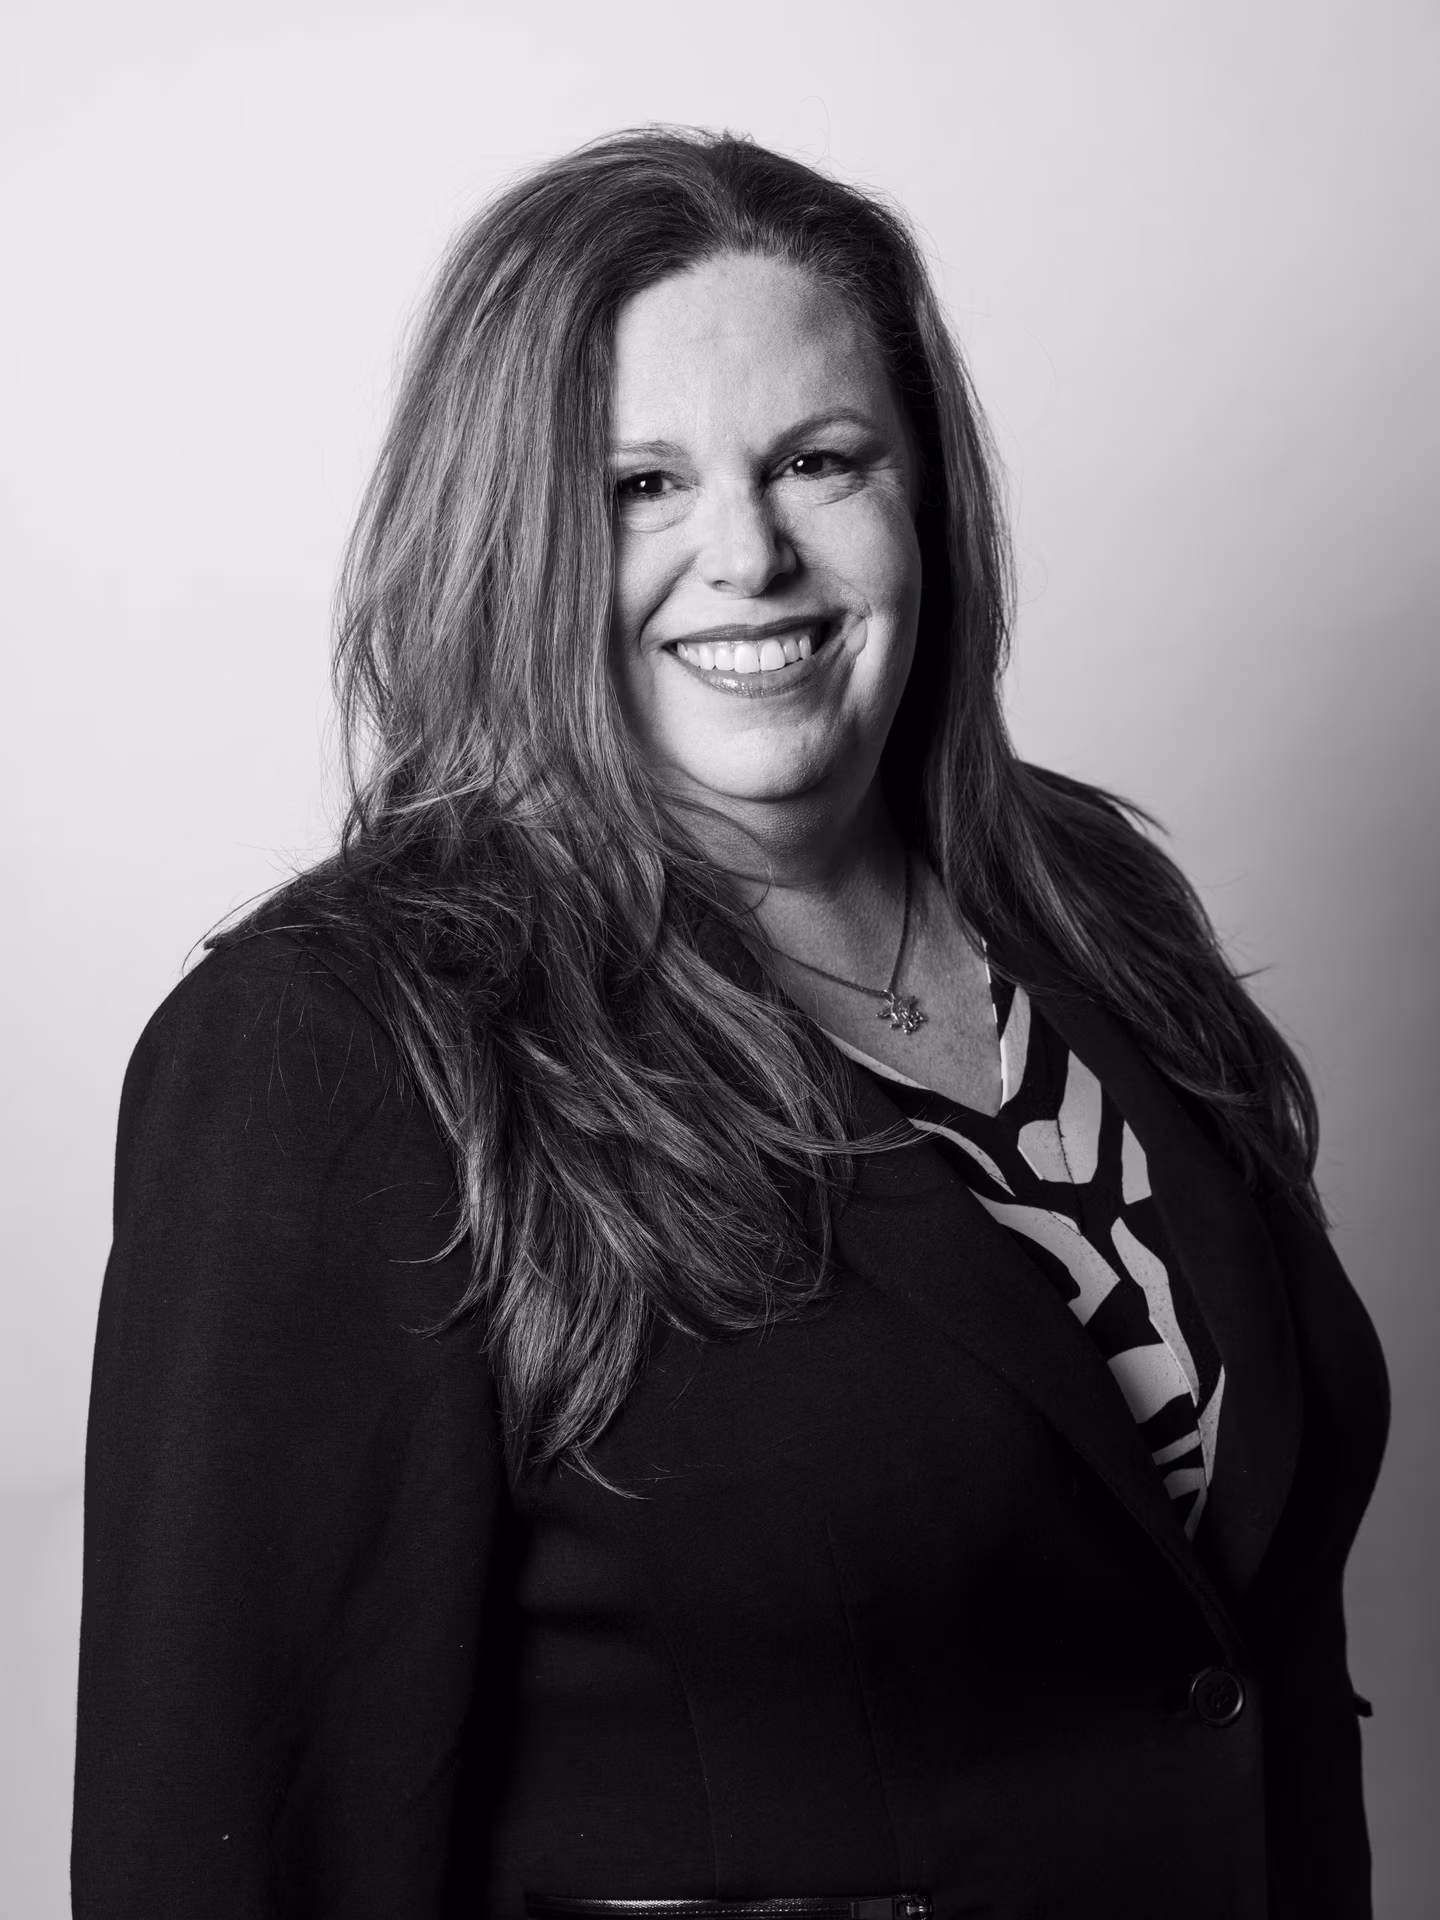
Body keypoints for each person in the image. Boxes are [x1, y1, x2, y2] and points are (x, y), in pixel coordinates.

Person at [72, 128, 1389, 1920]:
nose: (748, 555)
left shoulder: (1086, 894)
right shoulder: (336, 1052)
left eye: (820, 460)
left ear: (923, 496)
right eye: (639, 486)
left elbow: (1226, 1652)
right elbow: (237, 1839)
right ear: (505, 535)